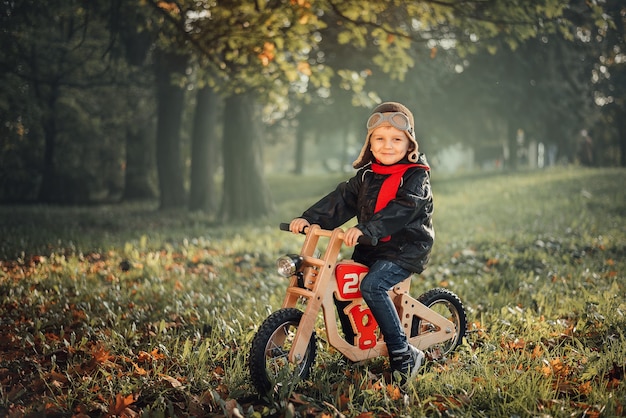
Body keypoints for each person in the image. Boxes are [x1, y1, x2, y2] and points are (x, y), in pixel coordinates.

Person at [289, 101, 434, 386]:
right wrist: (308, 219)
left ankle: (403, 353)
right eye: (379, 139)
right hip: (372, 247)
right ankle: (357, 342)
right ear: (369, 144)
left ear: (409, 144)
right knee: (338, 281)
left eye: (396, 139)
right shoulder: (367, 176)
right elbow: (341, 200)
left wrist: (367, 228)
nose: (387, 145)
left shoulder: (416, 177)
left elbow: (402, 209)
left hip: (405, 248)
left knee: (372, 285)